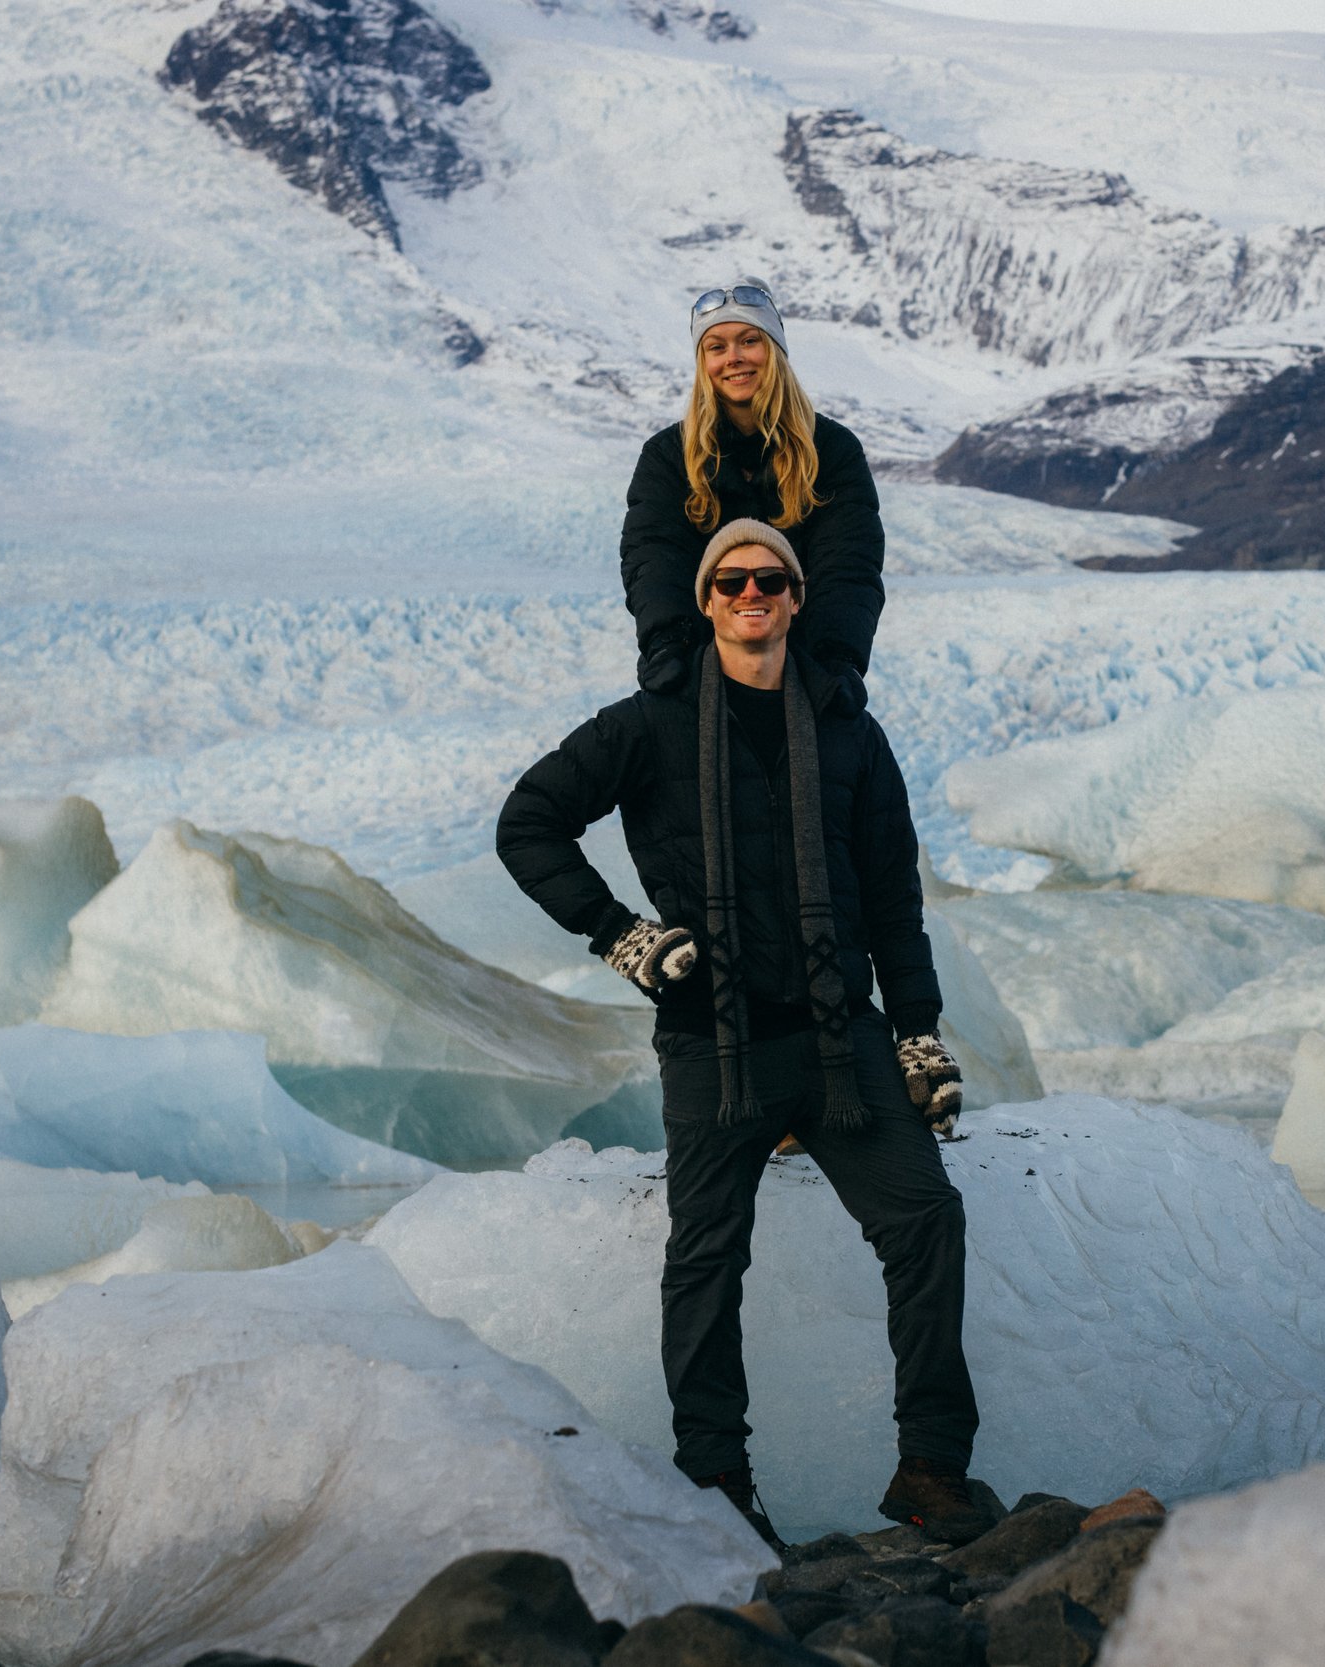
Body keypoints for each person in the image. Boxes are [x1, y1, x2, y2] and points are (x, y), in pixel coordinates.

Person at [496, 517, 995, 1552]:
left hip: (835, 1041)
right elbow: (529, 818)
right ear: (707, 599)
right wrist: (619, 935)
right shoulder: (650, 722)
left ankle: (931, 1467)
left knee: (925, 1220)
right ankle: (715, 1476)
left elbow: (893, 900)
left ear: (797, 598)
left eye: (770, 578)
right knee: (706, 1254)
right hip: (708, 1037)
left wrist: (917, 1035)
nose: (751, 593)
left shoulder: (849, 732)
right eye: (730, 580)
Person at [622, 280, 884, 716]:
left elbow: (849, 560)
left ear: (776, 350)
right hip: (698, 675)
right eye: (716, 347)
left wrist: (835, 658)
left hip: (808, 675)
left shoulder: (833, 451)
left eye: (749, 340)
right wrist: (670, 647)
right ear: (702, 362)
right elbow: (653, 556)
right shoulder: (667, 458)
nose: (734, 358)